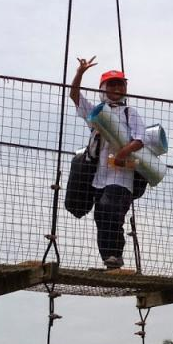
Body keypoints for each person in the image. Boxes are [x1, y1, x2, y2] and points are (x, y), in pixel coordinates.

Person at [69, 56, 145, 269]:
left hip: (122, 176)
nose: (116, 88)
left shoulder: (130, 113)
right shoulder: (97, 114)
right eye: (111, 84)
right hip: (99, 176)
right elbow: (75, 96)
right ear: (103, 88)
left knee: (111, 210)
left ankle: (114, 254)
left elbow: (140, 139)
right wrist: (80, 73)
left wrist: (123, 153)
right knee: (101, 215)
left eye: (119, 84)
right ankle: (110, 259)